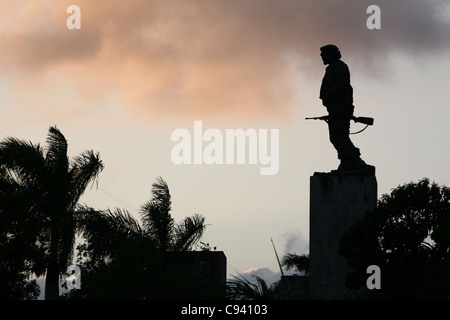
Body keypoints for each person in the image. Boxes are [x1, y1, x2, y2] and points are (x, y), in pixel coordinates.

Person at [319, 44, 369, 173]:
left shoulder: (338, 67)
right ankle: (347, 163)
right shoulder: (333, 68)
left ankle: (357, 163)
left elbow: (341, 86)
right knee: (337, 136)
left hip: (340, 107)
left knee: (339, 137)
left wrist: (329, 97)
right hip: (336, 108)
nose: (322, 56)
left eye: (324, 54)